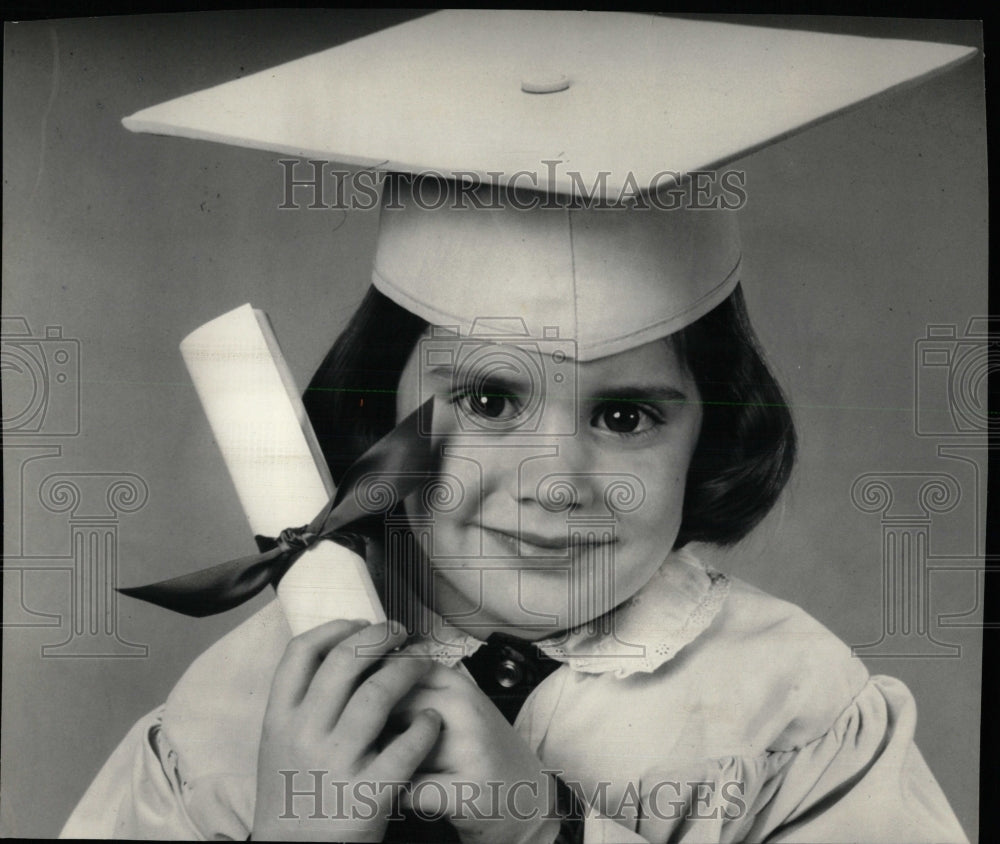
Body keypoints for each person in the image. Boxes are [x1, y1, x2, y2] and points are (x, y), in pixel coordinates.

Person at [61, 11, 975, 842]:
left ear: (714, 435)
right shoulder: (246, 704)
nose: (554, 481)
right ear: (378, 403)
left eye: (626, 416)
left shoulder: (796, 708)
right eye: (491, 401)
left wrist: (551, 830)